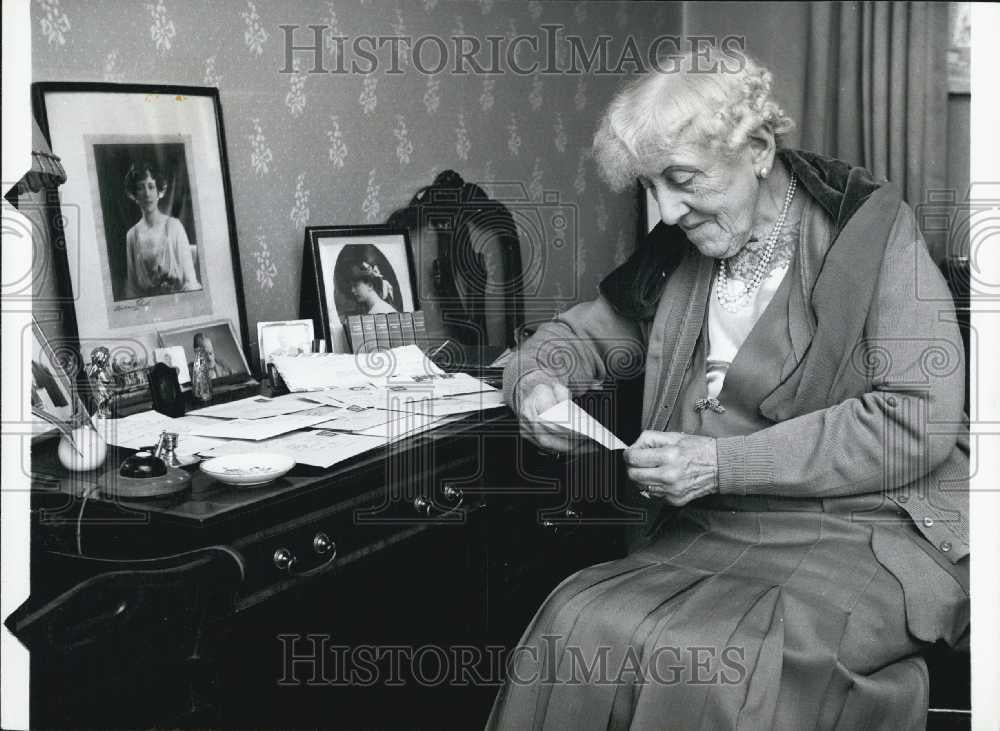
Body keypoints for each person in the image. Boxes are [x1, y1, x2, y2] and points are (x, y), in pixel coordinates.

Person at [490, 50, 969, 730]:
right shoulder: (679, 253)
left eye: (681, 180)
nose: (666, 210)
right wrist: (536, 383)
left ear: (759, 148)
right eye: (653, 187)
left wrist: (721, 463)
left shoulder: (873, 234)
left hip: (869, 525)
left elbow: (914, 419)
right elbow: (580, 337)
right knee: (575, 621)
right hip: (719, 526)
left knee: (730, 660)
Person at [122, 160, 201, 299]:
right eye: (141, 187)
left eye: (151, 186)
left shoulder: (175, 227)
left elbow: (190, 281)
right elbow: (132, 289)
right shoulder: (131, 236)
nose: (147, 194)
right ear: (135, 195)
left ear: (159, 191)